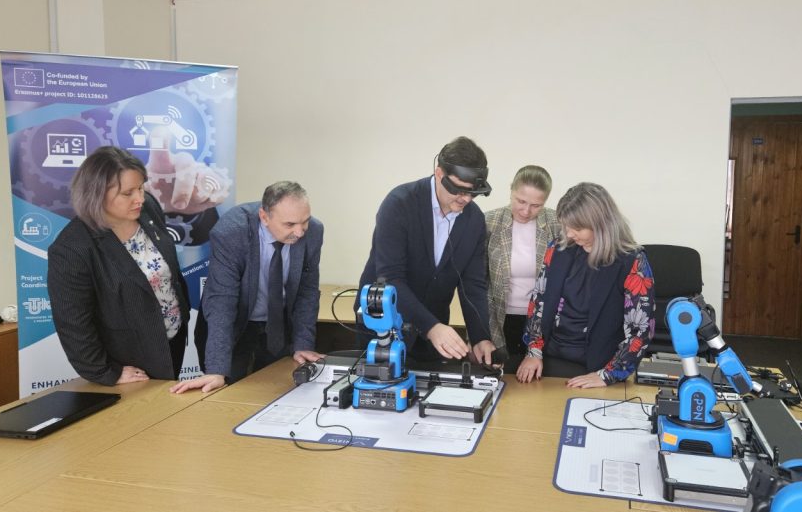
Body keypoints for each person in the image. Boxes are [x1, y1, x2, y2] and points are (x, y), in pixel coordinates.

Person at [48, 146, 190, 386]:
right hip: (130, 357)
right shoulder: (72, 249)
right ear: (96, 194)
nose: (140, 198)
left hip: (172, 338)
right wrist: (105, 371)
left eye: (141, 188)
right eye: (127, 193)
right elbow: (73, 324)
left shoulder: (147, 208)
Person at [171, 182, 324, 394]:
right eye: (290, 224)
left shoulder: (314, 231)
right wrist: (216, 369)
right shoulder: (231, 231)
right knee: (227, 394)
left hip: (278, 326)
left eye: (304, 221)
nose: (299, 232)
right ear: (264, 217)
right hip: (234, 327)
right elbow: (222, 300)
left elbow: (307, 291)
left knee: (276, 392)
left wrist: (303, 344)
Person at [358, 136, 497, 365]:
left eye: (473, 192)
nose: (466, 199)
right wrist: (430, 326)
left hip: (433, 336)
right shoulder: (399, 204)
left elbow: (472, 284)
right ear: (439, 173)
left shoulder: (474, 220)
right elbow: (390, 277)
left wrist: (480, 336)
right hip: (384, 328)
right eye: (458, 190)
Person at [516, 182, 654, 388]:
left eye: (578, 228)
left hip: (598, 367)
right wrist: (533, 351)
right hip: (549, 359)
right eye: (566, 226)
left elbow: (640, 330)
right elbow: (538, 302)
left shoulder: (632, 261)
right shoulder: (558, 248)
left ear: (601, 224)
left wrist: (608, 374)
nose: (570, 233)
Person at [485, 165, 561, 363]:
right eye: (521, 201)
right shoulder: (490, 222)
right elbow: (478, 281)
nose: (526, 211)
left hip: (543, 320)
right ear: (511, 191)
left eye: (536, 205)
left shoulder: (556, 223)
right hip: (498, 319)